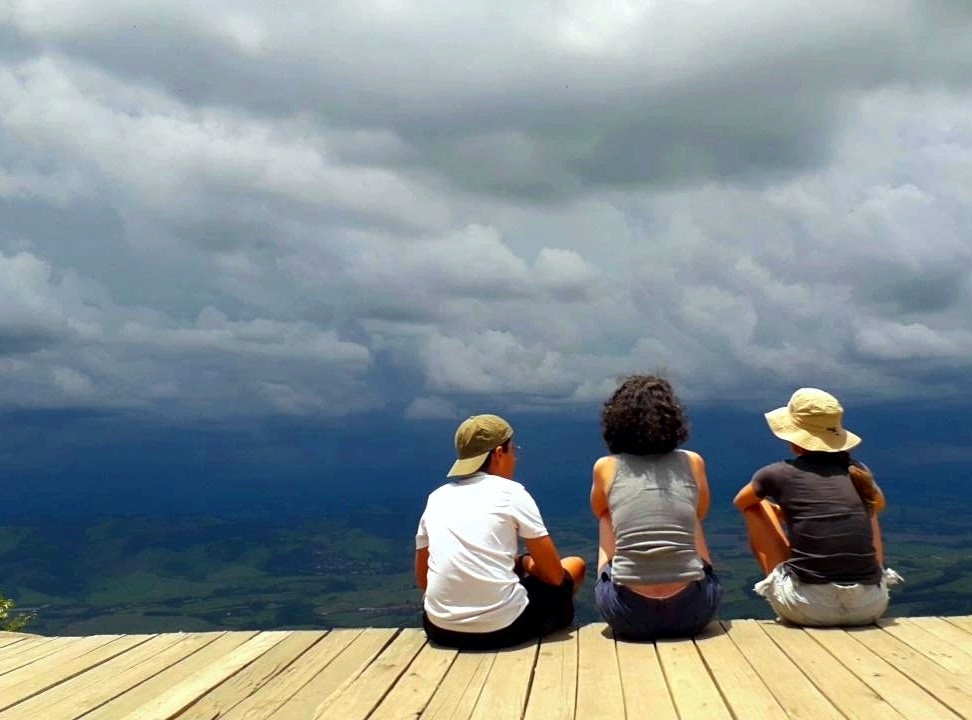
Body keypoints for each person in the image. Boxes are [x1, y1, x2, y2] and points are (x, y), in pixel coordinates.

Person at [414, 414, 586, 650]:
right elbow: (554, 576)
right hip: (503, 629)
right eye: (512, 450)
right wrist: (525, 562)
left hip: (439, 628)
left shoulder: (436, 498)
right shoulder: (512, 493)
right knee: (574, 567)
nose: (515, 457)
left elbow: (424, 580)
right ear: (497, 453)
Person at [733, 387, 903, 626]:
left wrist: (781, 511)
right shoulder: (858, 472)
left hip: (808, 608)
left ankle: (782, 581)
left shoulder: (777, 473)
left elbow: (741, 501)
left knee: (755, 508)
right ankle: (875, 577)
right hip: (871, 605)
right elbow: (880, 504)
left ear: (794, 440)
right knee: (869, 504)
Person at [590, 375, 722, 641]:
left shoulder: (606, 466)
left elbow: (598, 509)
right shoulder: (693, 462)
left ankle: (627, 583)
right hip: (693, 613)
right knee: (691, 515)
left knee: (606, 515)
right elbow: (702, 512)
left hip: (627, 615)